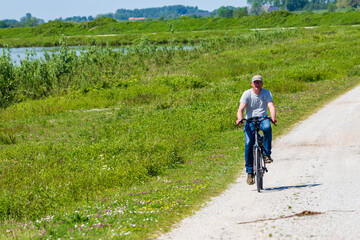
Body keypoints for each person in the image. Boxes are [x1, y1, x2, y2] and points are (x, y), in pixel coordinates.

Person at [236, 75, 277, 185]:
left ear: (262, 83)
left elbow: (271, 106)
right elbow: (240, 109)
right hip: (250, 120)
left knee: (267, 127)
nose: (257, 84)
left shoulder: (266, 93)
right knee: (249, 143)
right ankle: (250, 172)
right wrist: (240, 118)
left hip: (263, 118)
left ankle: (267, 154)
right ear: (251, 84)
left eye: (259, 82)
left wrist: (273, 117)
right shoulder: (247, 94)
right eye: (255, 82)